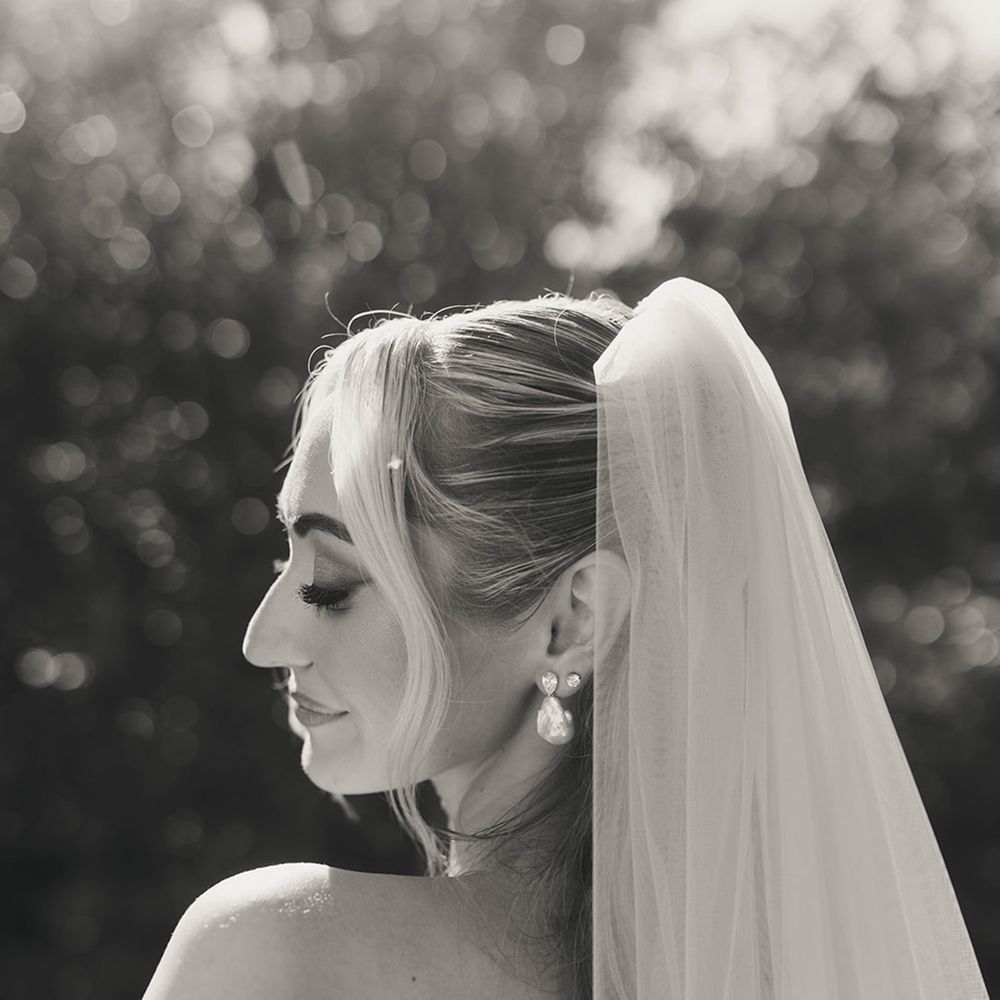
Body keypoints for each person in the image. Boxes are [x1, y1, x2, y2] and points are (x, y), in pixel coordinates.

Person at [143, 278, 989, 999]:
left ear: (572, 620)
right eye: (282, 558)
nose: (263, 638)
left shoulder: (274, 956)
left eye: (329, 585)